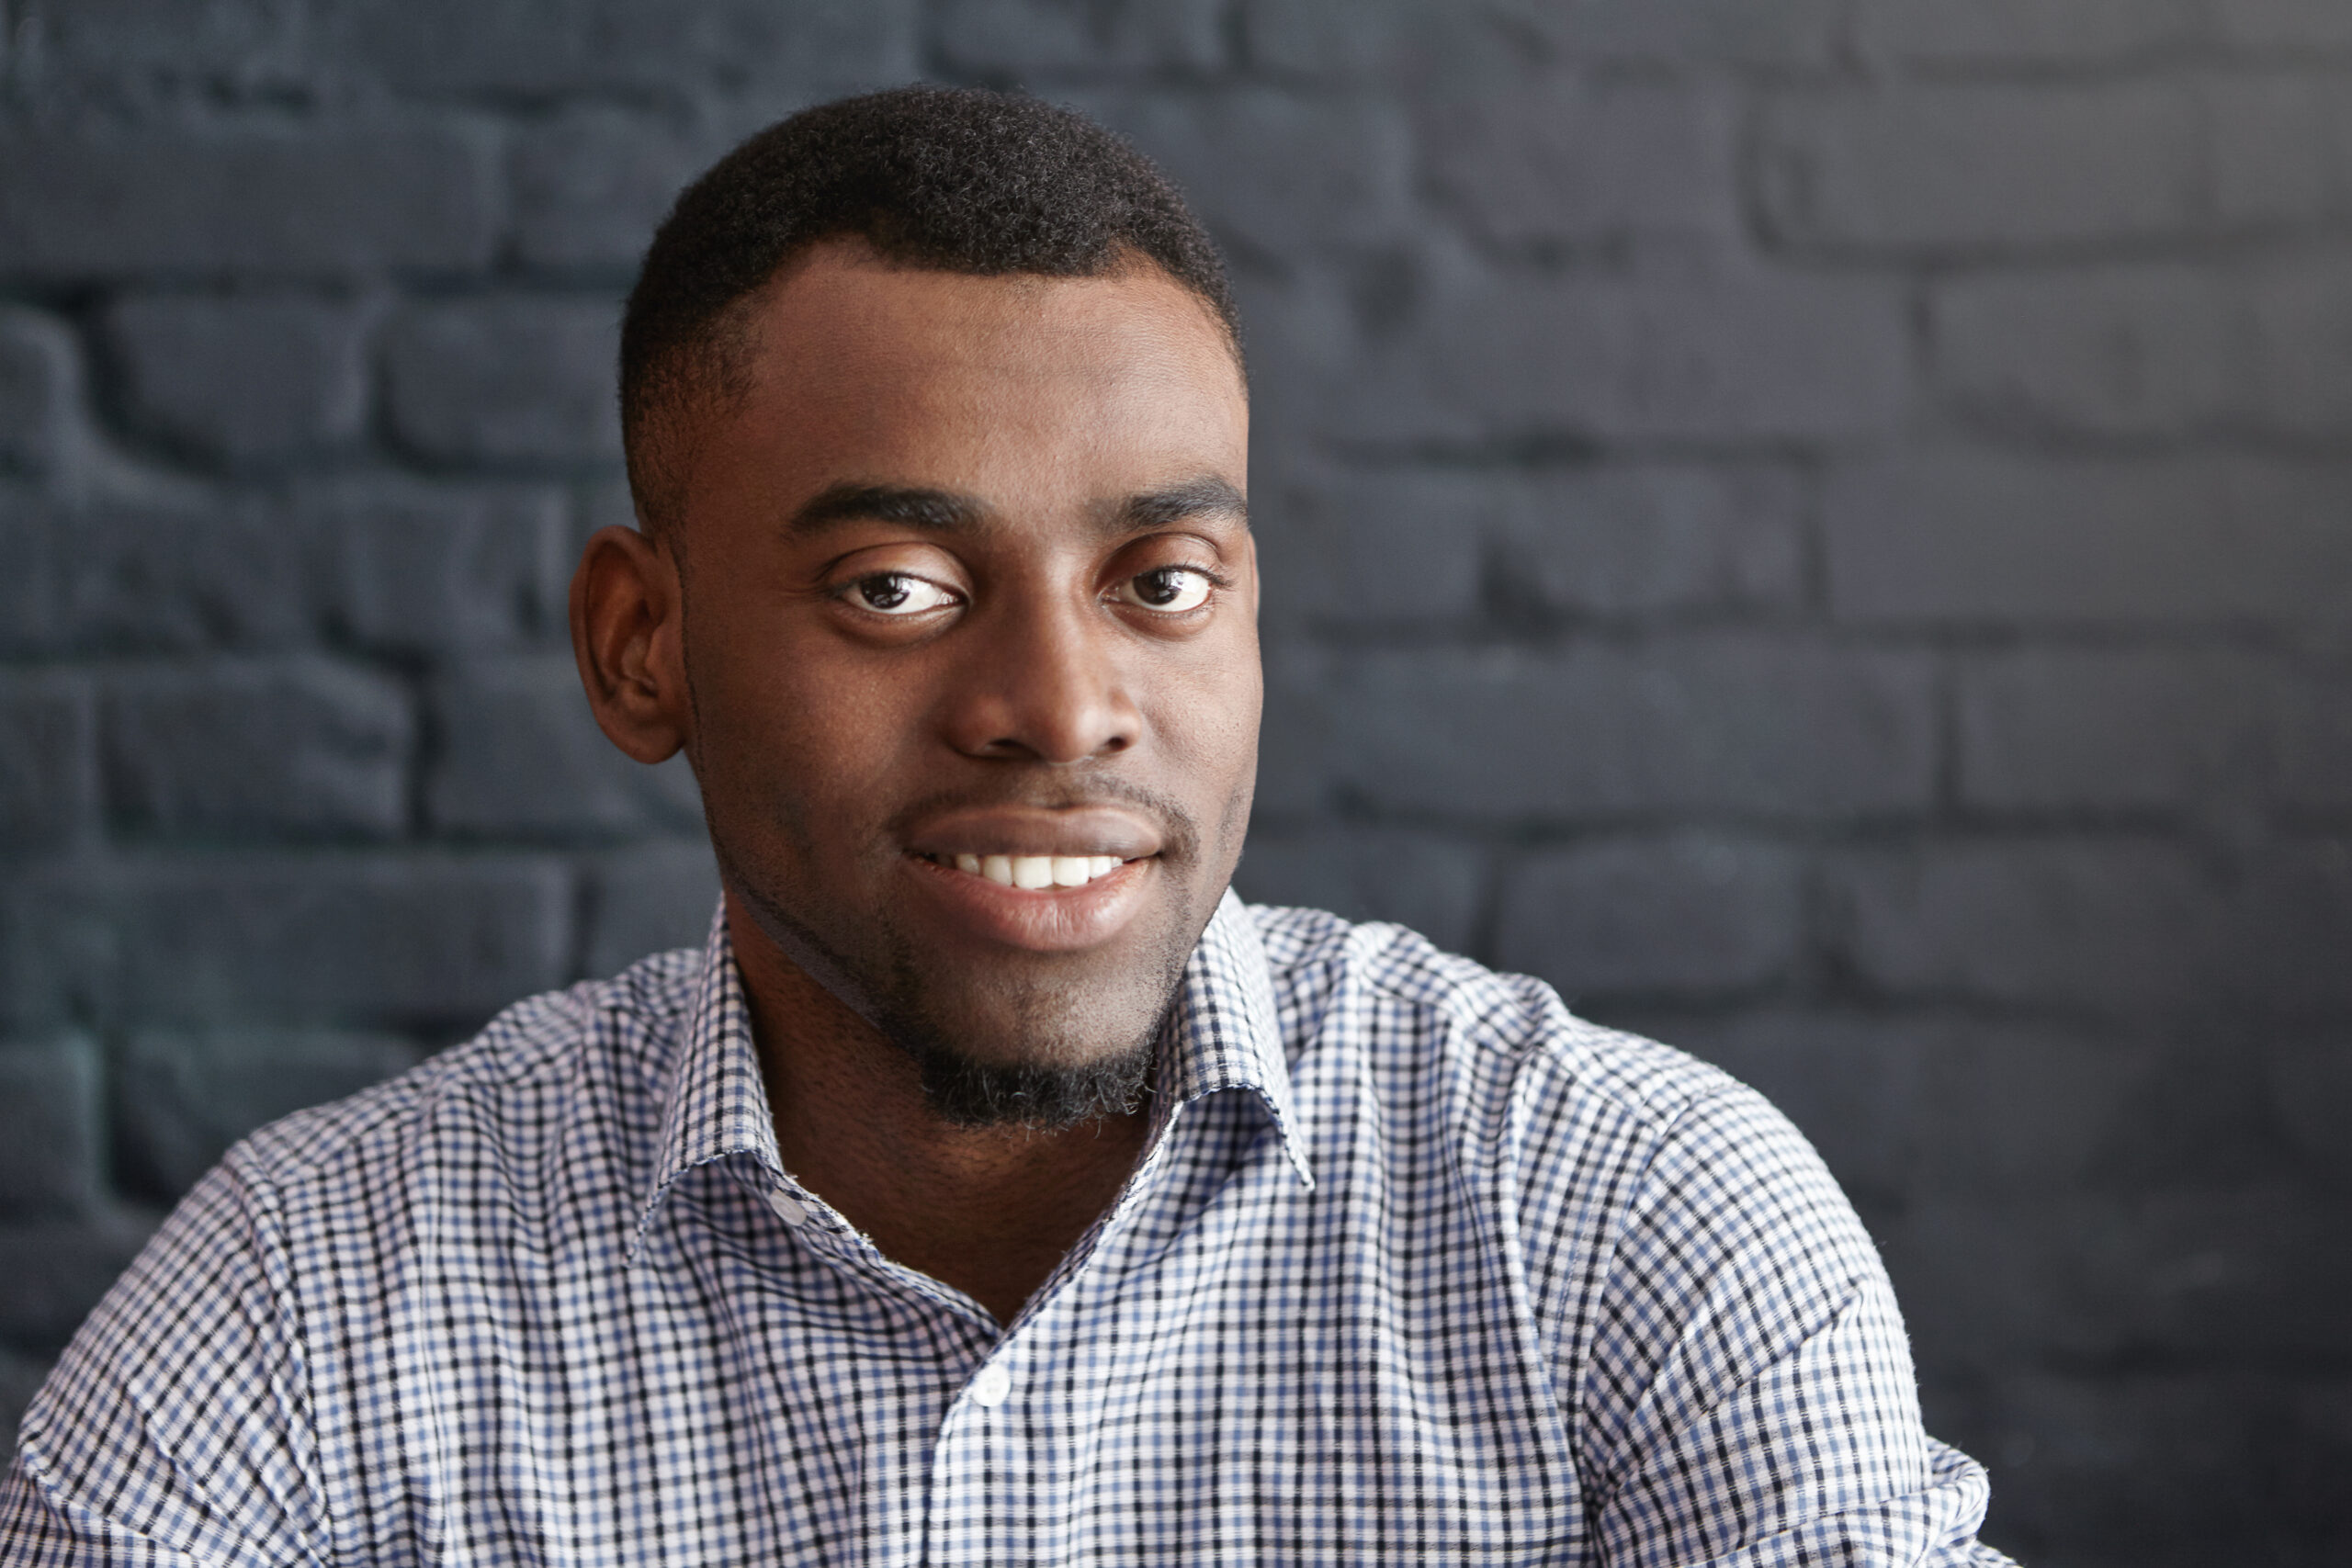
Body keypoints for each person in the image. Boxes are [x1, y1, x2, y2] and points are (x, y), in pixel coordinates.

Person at [0, 86, 2013, 1564]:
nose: (1058, 706)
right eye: (895, 584)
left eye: (1157, 580)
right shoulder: (313, 1303)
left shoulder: (1615, 1220)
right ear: (642, 648)